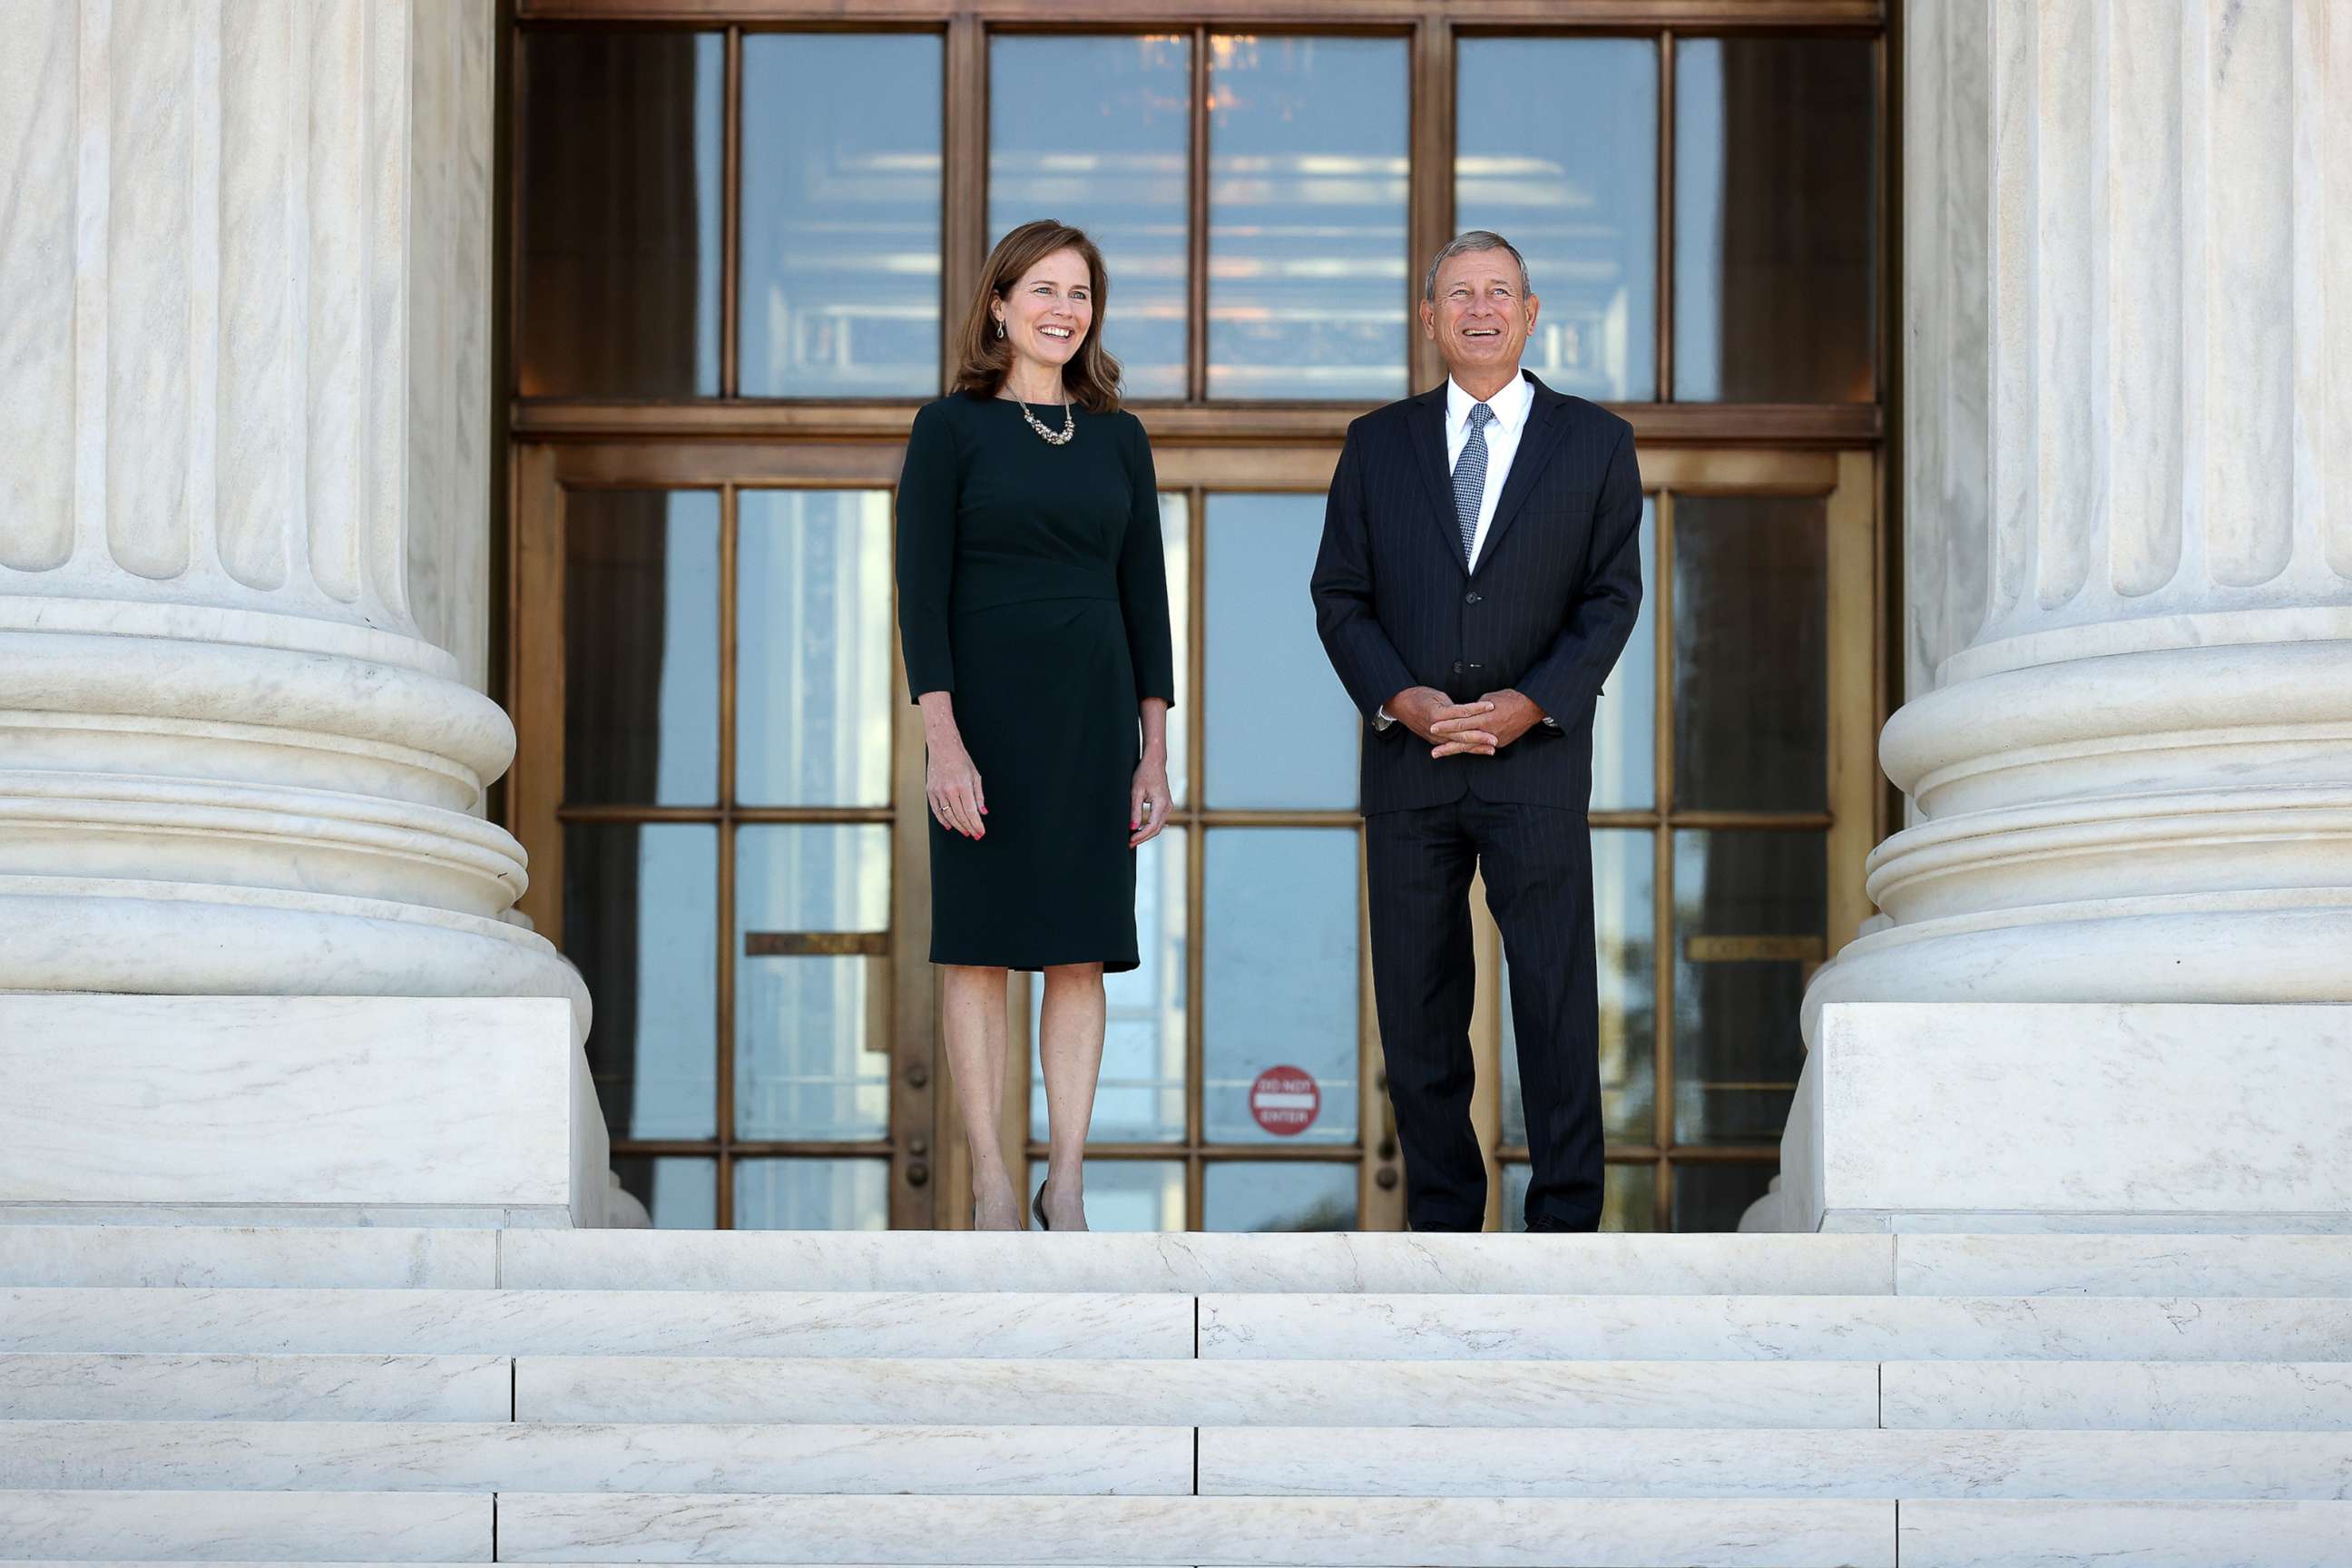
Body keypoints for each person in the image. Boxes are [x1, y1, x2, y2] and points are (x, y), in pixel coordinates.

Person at [1309, 230, 1644, 1233]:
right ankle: (1445, 1217)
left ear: (1532, 314)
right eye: (1460, 295)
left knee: (1553, 997)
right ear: (1429, 319)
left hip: (1534, 764)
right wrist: (1399, 700)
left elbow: (1611, 598)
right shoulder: (1378, 444)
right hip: (1412, 770)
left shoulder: (1595, 443)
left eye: (1500, 292)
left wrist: (1533, 702)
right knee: (1416, 1010)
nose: (1481, 309)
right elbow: (1340, 595)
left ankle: (1568, 1221)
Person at [895, 220, 1176, 1233]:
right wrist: (944, 740)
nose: (1064, 309)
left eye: (1081, 293)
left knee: (1080, 949)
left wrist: (1154, 750)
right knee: (978, 947)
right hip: (985, 718)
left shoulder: (1120, 438)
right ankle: (994, 1185)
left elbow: (1147, 599)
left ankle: (1066, 1179)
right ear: (1001, 305)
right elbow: (920, 597)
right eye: (1043, 290)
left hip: (1095, 716)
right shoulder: (949, 430)